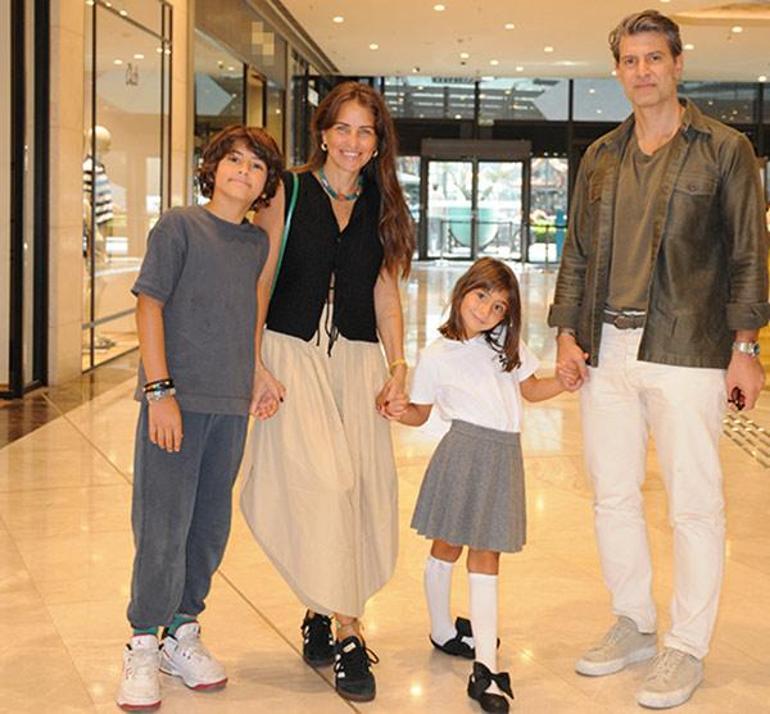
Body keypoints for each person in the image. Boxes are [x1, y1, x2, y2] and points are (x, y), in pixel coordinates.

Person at [549, 10, 769, 710]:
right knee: (612, 495)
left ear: (677, 63)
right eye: (630, 60)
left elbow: (748, 254)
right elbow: (577, 251)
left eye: (654, 58)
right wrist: (566, 332)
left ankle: (687, 645)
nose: (642, 71)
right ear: (618, 70)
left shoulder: (724, 149)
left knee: (694, 503)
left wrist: (745, 348)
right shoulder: (602, 155)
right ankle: (635, 621)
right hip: (607, 348)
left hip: (688, 347)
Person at [239, 81, 414, 702]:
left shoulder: (384, 203)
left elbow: (386, 292)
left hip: (359, 357)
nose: (352, 141)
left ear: (378, 142)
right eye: (343, 128)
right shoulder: (286, 191)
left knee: (359, 490)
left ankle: (319, 607)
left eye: (365, 131)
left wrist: (399, 364)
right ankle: (349, 634)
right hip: (292, 351)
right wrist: (254, 363)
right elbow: (260, 281)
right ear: (322, 132)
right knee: (327, 484)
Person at [116, 125, 283, 712]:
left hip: (229, 406)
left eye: (257, 166)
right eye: (233, 159)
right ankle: (143, 639)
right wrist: (159, 390)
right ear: (211, 168)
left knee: (209, 527)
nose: (244, 171)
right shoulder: (179, 226)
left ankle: (181, 632)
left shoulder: (255, 244)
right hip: (176, 402)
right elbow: (150, 305)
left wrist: (256, 371)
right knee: (163, 524)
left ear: (266, 185)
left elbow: (249, 314)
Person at [396, 257, 574, 714]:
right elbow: (420, 412)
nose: (487, 311)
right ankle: (441, 630)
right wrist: (397, 410)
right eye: (481, 296)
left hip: (502, 456)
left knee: (488, 552)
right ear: (463, 290)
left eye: (499, 307)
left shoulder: (504, 344)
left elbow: (530, 389)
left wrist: (563, 382)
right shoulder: (436, 355)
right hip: (462, 453)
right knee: (447, 543)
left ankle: (486, 668)